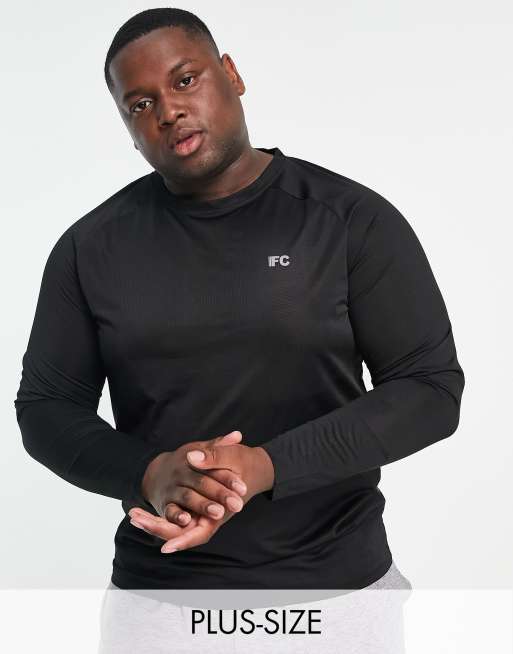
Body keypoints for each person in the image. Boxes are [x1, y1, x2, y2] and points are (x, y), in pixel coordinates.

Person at [14, 7, 464, 652]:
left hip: (337, 595)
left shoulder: (348, 220)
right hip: (161, 602)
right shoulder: (92, 248)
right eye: (140, 104)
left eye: (185, 80)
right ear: (127, 126)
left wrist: (265, 466)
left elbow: (430, 389)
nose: (168, 111)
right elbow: (45, 408)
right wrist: (150, 472)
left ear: (231, 74)